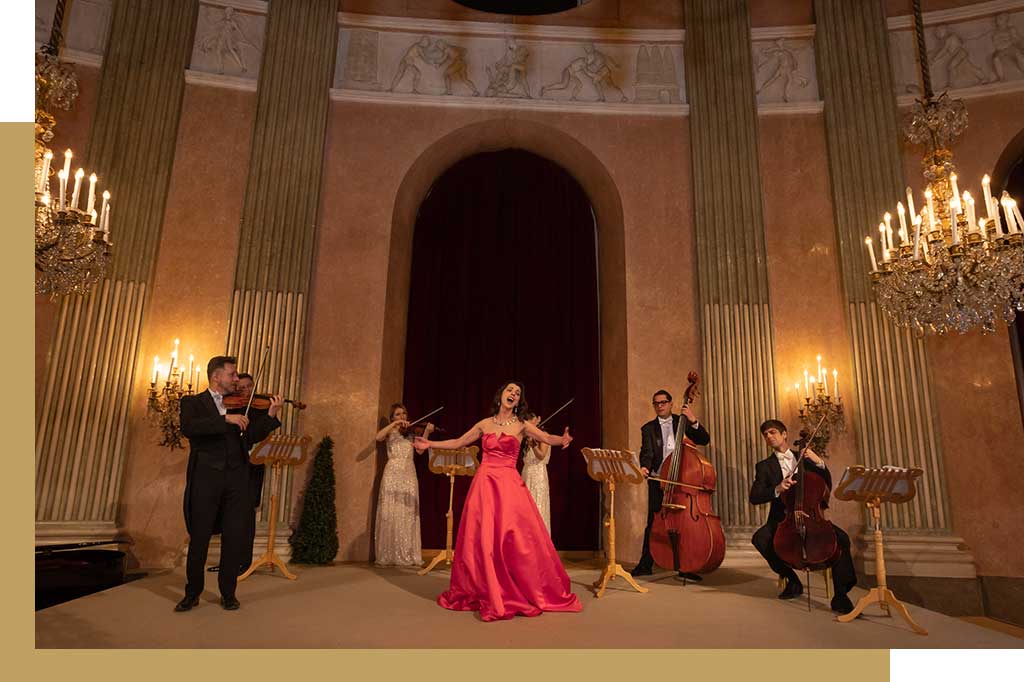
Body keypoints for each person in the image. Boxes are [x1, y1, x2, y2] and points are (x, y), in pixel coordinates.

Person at [413, 381, 581, 621]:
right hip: (484, 484)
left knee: (512, 536)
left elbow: (546, 436)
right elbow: (459, 442)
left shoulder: (522, 425)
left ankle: (514, 585)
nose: (513, 394)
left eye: (517, 393)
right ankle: (485, 586)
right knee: (482, 537)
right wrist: (430, 443)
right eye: (510, 390)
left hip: (509, 485)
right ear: (501, 395)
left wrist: (562, 439)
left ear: (519, 401)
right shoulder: (485, 424)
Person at [176, 356, 281, 612]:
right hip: (206, 478)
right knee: (199, 537)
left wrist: (270, 415)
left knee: (233, 537)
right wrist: (225, 420)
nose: (237, 380)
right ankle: (192, 593)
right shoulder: (193, 402)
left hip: (236, 478)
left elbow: (251, 437)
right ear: (216, 377)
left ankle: (228, 593)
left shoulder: (239, 407)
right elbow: (189, 427)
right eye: (233, 375)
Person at [749, 419, 856, 614]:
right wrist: (777, 488)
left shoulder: (805, 458)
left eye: (772, 432)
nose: (769, 437)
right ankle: (792, 579)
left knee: (842, 540)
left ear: (784, 434)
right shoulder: (764, 466)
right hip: (783, 519)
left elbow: (826, 484)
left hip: (812, 516)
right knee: (760, 539)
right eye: (765, 435)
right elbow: (754, 497)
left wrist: (819, 462)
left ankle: (841, 594)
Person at [631, 389, 711, 581]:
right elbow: (647, 452)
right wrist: (644, 467)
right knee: (654, 523)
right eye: (656, 403)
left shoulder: (682, 421)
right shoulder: (648, 428)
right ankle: (645, 564)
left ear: (671, 403)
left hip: (683, 481)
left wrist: (693, 420)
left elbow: (704, 440)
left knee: (684, 524)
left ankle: (685, 565)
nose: (660, 406)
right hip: (659, 480)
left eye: (663, 402)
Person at [373, 403, 433, 567]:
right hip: (392, 472)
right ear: (392, 417)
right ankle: (388, 554)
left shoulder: (411, 432)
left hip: (408, 473)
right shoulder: (391, 431)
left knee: (407, 512)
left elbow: (420, 450)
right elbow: (378, 437)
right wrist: (393, 425)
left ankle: (407, 553)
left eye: (404, 414)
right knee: (390, 511)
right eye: (398, 414)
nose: (402, 417)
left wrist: (427, 431)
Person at [518, 410, 553, 534]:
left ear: (538, 420)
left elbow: (541, 455)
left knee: (538, 506)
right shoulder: (525, 437)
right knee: (524, 509)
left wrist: (533, 445)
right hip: (526, 474)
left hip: (538, 474)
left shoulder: (543, 436)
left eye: (531, 423)